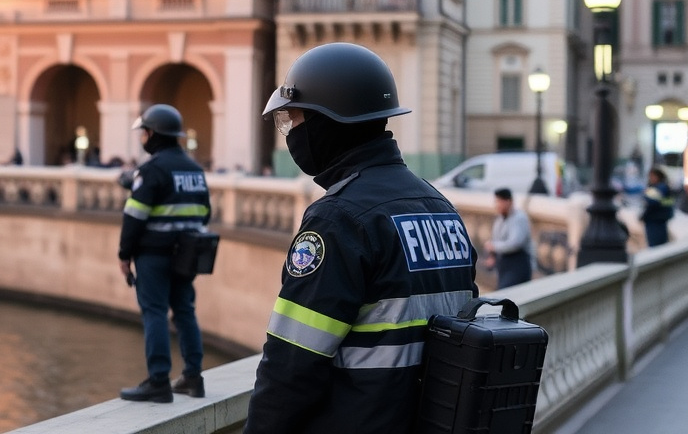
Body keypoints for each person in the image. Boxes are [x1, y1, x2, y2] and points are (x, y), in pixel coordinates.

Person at [243, 43, 478, 433]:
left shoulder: (338, 219)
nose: (291, 133)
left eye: (295, 119)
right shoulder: (440, 207)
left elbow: (290, 368)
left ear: (327, 123)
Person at [117, 104, 211, 403]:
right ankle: (193, 377)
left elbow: (134, 218)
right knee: (185, 311)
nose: (142, 138)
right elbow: (205, 213)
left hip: (154, 255)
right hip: (187, 255)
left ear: (153, 134)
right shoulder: (195, 170)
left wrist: (124, 255)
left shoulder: (151, 170)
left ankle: (158, 381)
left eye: (143, 132)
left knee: (155, 312)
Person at [484, 187, 534, 288]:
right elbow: (496, 239)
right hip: (504, 266)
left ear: (508, 202)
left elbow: (515, 243)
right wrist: (492, 256)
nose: (497, 205)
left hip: (518, 265)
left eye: (499, 201)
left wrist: (494, 246)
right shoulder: (499, 220)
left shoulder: (519, 218)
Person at [641, 167, 675, 247]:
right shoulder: (659, 187)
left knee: (656, 245)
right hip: (657, 218)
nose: (651, 178)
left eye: (652, 176)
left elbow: (653, 201)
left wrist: (647, 194)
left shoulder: (660, 187)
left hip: (656, 219)